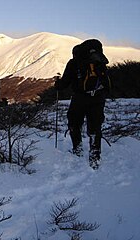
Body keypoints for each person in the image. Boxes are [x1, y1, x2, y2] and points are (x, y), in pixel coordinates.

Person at [55, 39, 110, 169]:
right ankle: (95, 156)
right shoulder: (99, 61)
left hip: (79, 98)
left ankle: (77, 149)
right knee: (95, 126)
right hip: (98, 97)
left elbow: (64, 84)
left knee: (74, 123)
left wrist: (57, 84)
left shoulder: (74, 63)